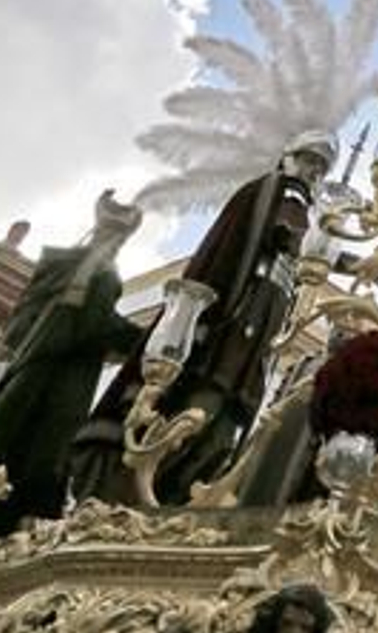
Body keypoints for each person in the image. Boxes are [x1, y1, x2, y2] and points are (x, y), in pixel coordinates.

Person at [70, 131, 337, 506]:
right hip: (230, 340)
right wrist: (327, 244)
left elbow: (296, 251)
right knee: (199, 418)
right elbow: (286, 234)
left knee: (216, 432)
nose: (313, 171)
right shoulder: (280, 190)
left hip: (252, 345)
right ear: (287, 157)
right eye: (308, 160)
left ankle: (166, 495)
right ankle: (137, 493)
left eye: (320, 167)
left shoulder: (289, 203)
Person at [0, 191, 145, 536]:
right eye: (117, 238)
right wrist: (147, 338)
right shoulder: (101, 273)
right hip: (57, 381)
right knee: (38, 453)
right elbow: (95, 323)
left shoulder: (60, 269)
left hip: (25, 369)